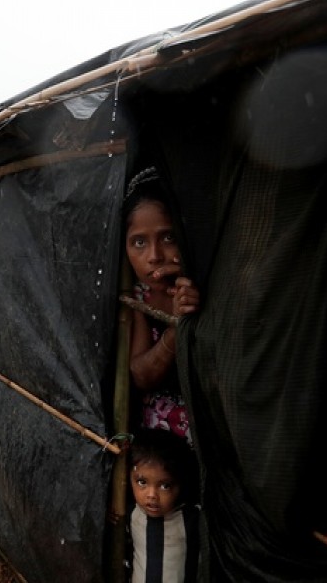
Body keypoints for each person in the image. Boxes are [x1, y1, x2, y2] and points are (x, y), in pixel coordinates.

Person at [123, 167, 199, 446]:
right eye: (139, 243)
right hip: (162, 444)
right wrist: (174, 329)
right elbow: (141, 375)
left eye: (168, 238)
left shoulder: (203, 283)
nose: (154, 256)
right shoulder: (136, 299)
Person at [129, 428, 199, 583]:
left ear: (180, 484)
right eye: (142, 482)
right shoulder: (131, 513)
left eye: (165, 486)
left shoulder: (193, 518)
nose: (152, 495)